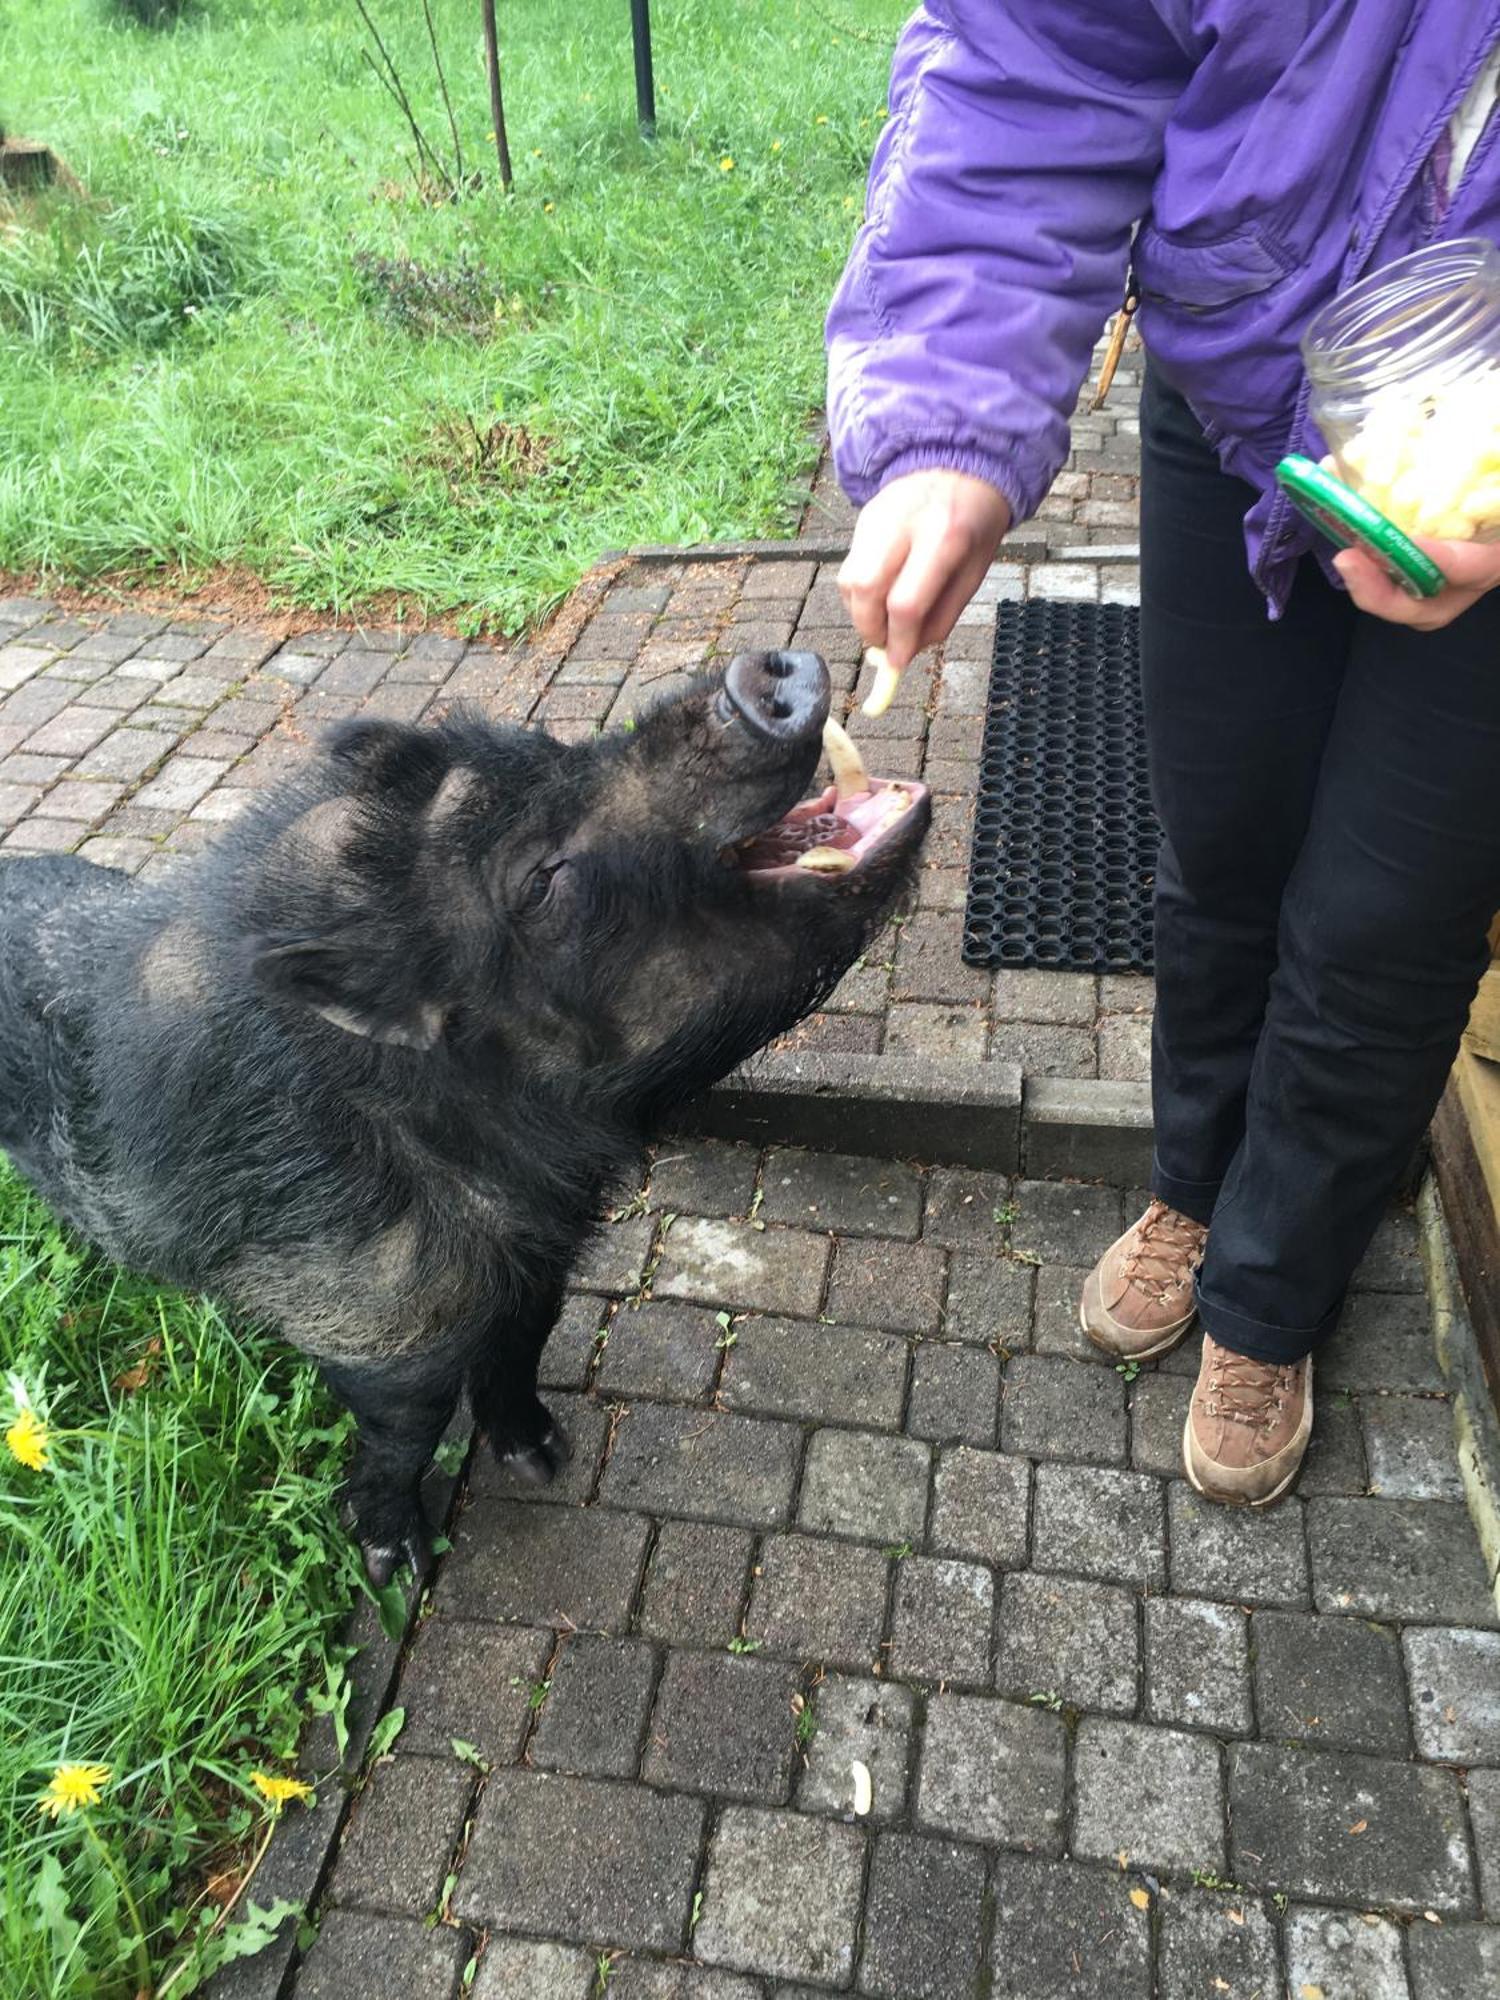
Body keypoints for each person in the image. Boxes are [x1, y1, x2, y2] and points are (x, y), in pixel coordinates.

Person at [827, 3, 1500, 1506]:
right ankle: (1194, 1184)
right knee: (1221, 842)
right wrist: (949, 418)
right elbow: (1037, 51)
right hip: (1243, 389)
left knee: (1385, 924)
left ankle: (1274, 1292)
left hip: (1490, 461)